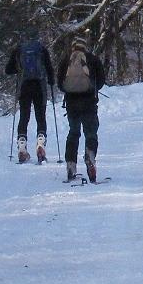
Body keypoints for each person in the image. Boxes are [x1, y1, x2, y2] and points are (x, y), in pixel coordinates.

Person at [57, 36, 107, 183]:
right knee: (91, 134)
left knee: (73, 133)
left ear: (73, 47)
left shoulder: (66, 60)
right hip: (89, 103)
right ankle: (90, 156)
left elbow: (60, 84)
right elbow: (102, 81)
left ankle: (71, 165)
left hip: (72, 104)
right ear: (85, 47)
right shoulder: (93, 59)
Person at [5, 32, 55, 164]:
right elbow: (49, 69)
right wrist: (51, 80)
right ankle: (41, 145)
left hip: (24, 86)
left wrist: (19, 69)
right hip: (39, 86)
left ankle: (22, 147)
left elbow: (8, 70)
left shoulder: (19, 50)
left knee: (24, 116)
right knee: (41, 117)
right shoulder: (41, 49)